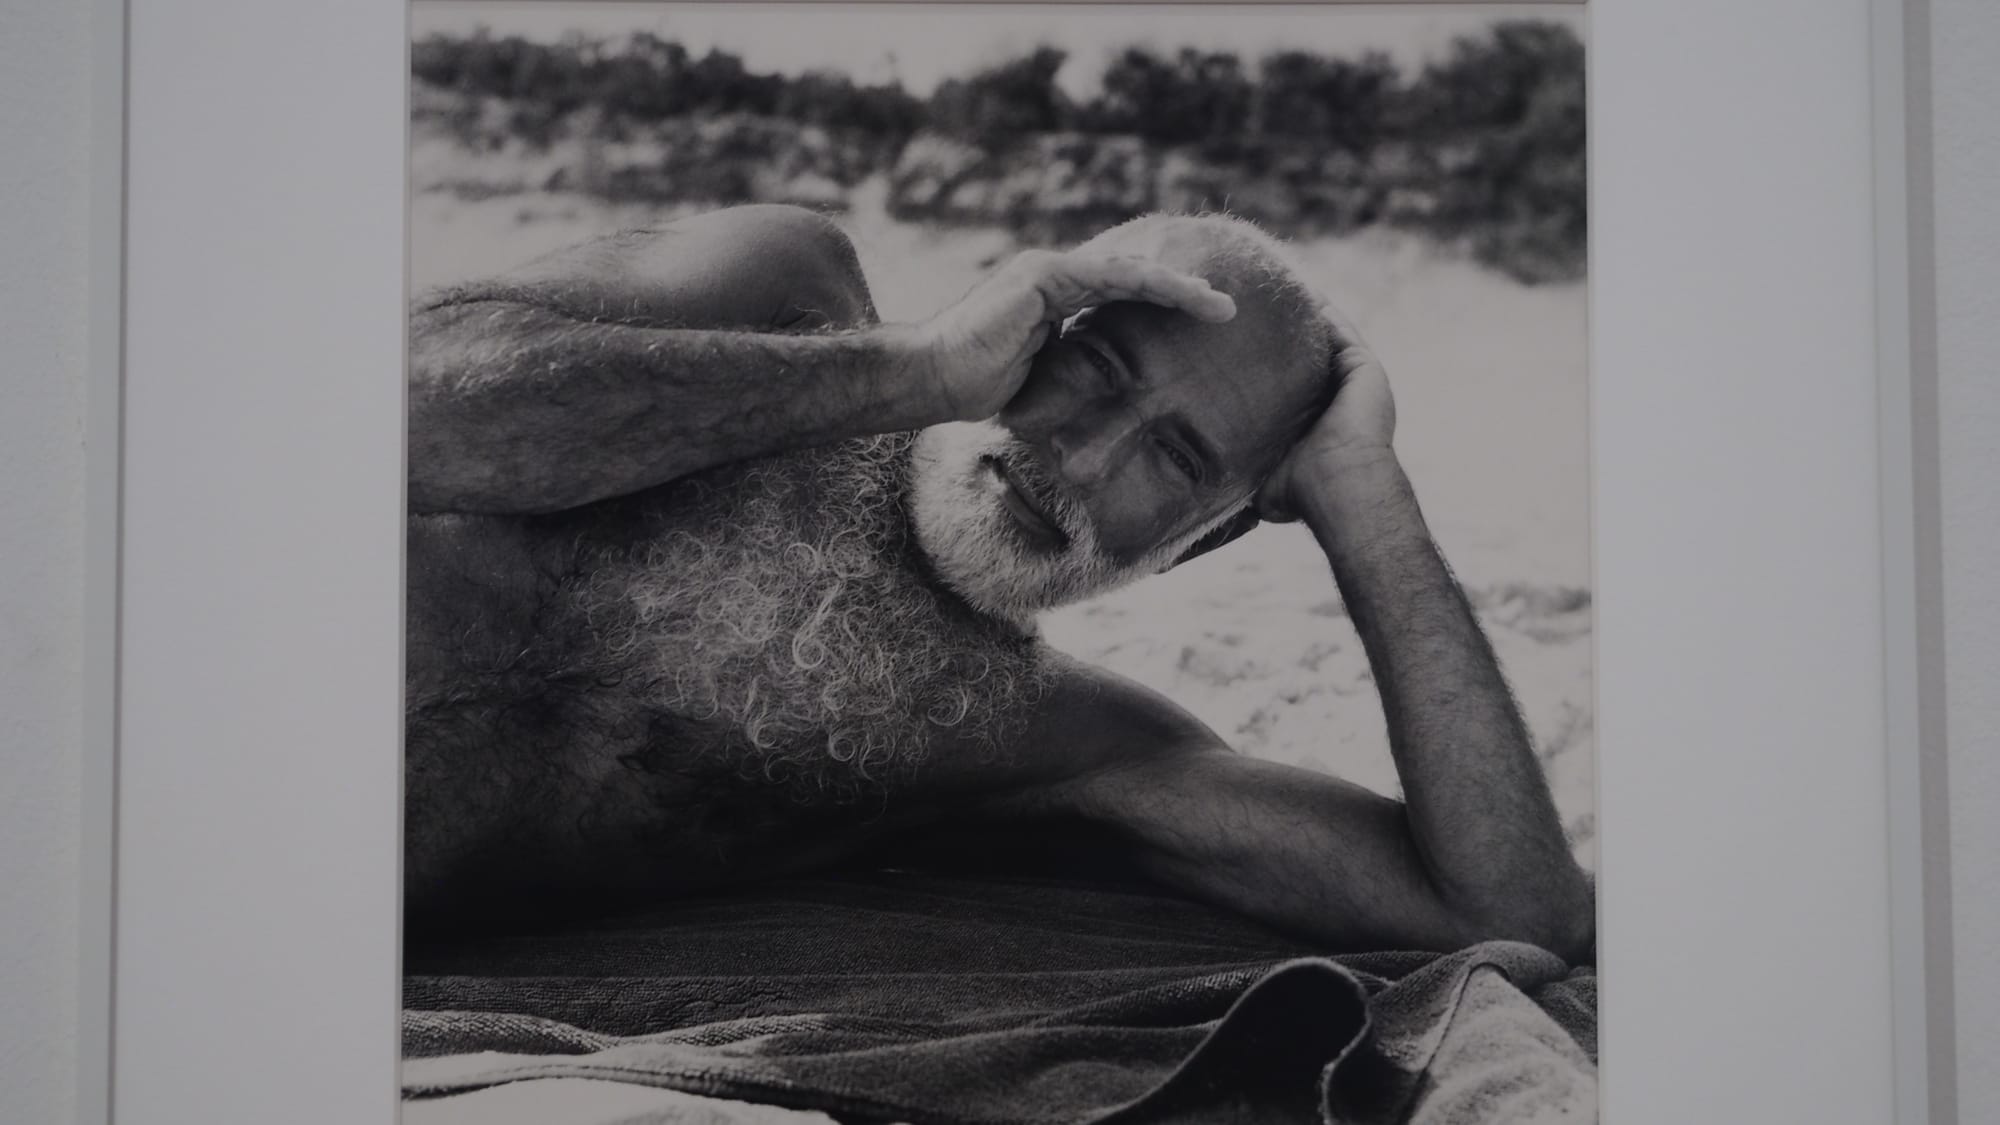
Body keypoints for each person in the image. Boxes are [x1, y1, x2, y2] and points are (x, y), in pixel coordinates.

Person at [403, 203, 1594, 960]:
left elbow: (1503, 912)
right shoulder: (783, 291)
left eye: (1174, 461)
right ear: (1034, 310)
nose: (1082, 458)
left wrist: (1368, 509)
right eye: (1097, 368)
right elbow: (394, 416)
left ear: (1198, 543)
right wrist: (916, 372)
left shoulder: (1044, 739)